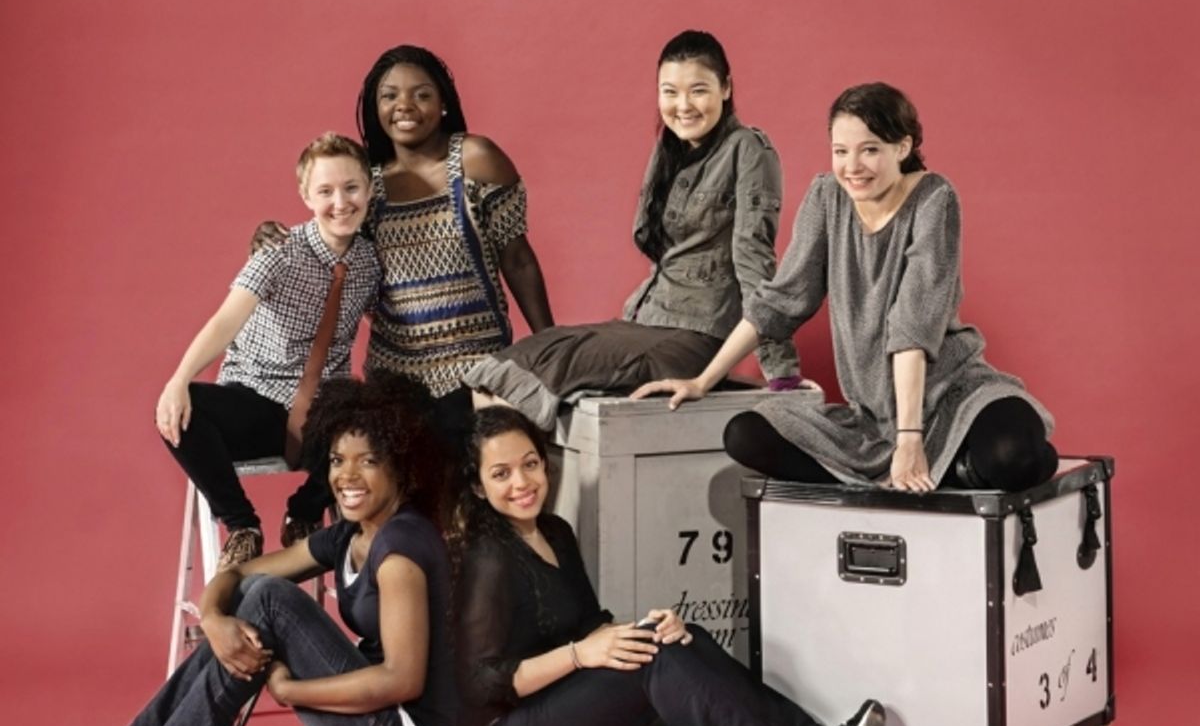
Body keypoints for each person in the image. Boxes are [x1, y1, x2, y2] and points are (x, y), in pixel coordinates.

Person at [43, 373, 457, 726]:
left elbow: (402, 680)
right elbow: (239, 573)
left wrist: (291, 690)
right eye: (337, 460)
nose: (347, 476)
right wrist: (214, 621)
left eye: (369, 461)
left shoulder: (401, 548)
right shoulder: (351, 535)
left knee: (270, 599)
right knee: (256, 594)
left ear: (403, 467)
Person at [454, 406, 885, 726]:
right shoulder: (488, 556)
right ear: (477, 487)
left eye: (530, 464)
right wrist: (578, 655)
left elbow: (591, 627)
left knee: (679, 636)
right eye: (501, 474)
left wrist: (646, 627)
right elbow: (481, 682)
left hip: (556, 704)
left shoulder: (555, 532)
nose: (523, 482)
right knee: (656, 655)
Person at [635, 82, 1058, 493]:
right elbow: (781, 301)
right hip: (874, 421)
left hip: (953, 395)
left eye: (870, 149)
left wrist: (911, 438)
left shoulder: (934, 200)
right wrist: (703, 380)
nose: (852, 166)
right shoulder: (826, 197)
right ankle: (939, 473)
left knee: (1013, 457)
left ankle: (943, 464)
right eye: (841, 151)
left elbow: (912, 326)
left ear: (903, 148)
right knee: (744, 435)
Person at [464, 30, 802, 431]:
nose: (683, 105)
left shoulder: (748, 150)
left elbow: (755, 264)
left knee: (541, 369)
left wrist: (782, 373)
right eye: (669, 92)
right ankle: (510, 491)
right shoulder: (669, 149)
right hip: (644, 317)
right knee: (504, 366)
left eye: (698, 90)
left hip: (695, 333)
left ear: (726, 88)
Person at [255, 44, 554, 410]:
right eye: (390, 96)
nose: (405, 106)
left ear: (443, 103)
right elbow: (331, 255)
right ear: (375, 109)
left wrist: (551, 347)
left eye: (422, 95)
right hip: (394, 378)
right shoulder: (366, 186)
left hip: (476, 369)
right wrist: (274, 238)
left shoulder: (476, 160)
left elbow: (518, 259)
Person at [157, 132, 381, 567]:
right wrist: (179, 379)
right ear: (305, 195)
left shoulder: (370, 262)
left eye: (351, 188)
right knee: (179, 409)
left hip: (324, 411)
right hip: (258, 399)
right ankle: (242, 526)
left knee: (384, 419)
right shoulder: (278, 252)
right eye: (325, 191)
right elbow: (227, 319)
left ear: (369, 189)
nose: (341, 202)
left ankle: (303, 513)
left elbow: (381, 319)